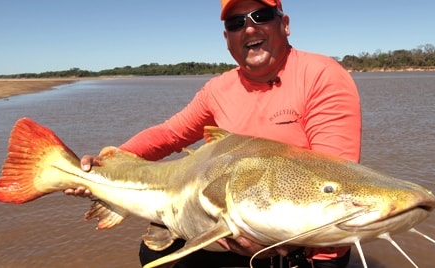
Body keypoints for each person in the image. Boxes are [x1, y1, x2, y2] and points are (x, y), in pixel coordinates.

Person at [65, 0, 361, 267]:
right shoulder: (218, 90)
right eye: (235, 23)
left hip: (306, 245)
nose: (248, 28)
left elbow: (339, 180)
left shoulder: (321, 75)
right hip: (229, 222)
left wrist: (300, 250)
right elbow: (170, 134)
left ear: (284, 24)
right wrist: (108, 163)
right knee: (153, 255)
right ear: (226, 39)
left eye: (261, 15)